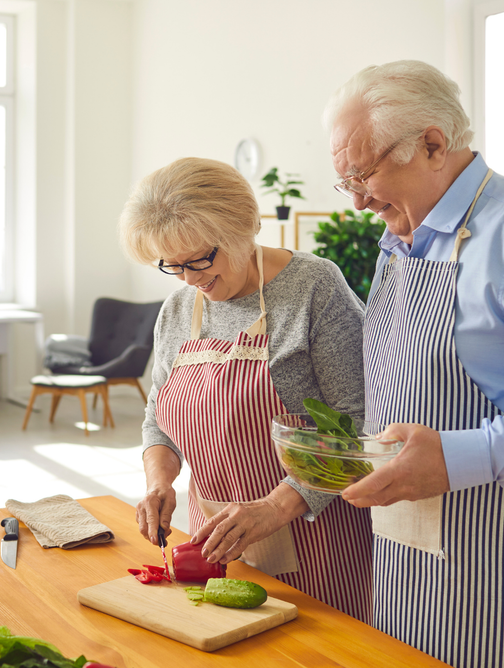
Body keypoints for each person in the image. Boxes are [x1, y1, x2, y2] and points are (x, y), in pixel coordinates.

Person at [118, 157, 373, 623]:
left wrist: (274, 508)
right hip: (216, 545)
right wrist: (160, 482)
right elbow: (160, 420)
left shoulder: (313, 287)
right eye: (171, 266)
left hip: (316, 539)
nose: (190, 278)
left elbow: (356, 426)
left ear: (242, 228)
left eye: (199, 259)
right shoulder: (177, 310)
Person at [323, 60, 504, 668]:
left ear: (431, 145)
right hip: (404, 557)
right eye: (341, 180)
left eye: (362, 175)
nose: (355, 200)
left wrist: (457, 460)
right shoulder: (405, 240)